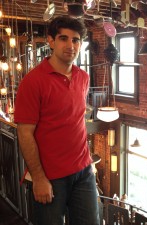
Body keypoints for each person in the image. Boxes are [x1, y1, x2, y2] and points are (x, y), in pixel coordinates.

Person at [14, 16, 100, 225]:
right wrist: (39, 178)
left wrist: (88, 165)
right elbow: (25, 133)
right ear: (51, 41)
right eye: (64, 38)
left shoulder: (83, 77)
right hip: (50, 176)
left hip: (83, 171)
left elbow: (76, 120)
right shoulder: (33, 82)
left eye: (76, 40)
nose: (71, 45)